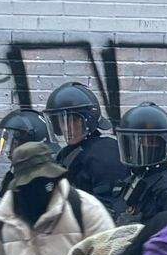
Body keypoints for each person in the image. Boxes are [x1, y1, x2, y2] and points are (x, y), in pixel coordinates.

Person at [45, 82, 127, 218]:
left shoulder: (105, 152)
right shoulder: (66, 153)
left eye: (74, 120)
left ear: (89, 119)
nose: (66, 128)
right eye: (62, 120)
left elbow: (109, 208)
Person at [115, 102, 167, 223]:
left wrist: (141, 230)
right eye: (135, 142)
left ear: (165, 144)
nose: (140, 148)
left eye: (150, 141)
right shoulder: (136, 179)